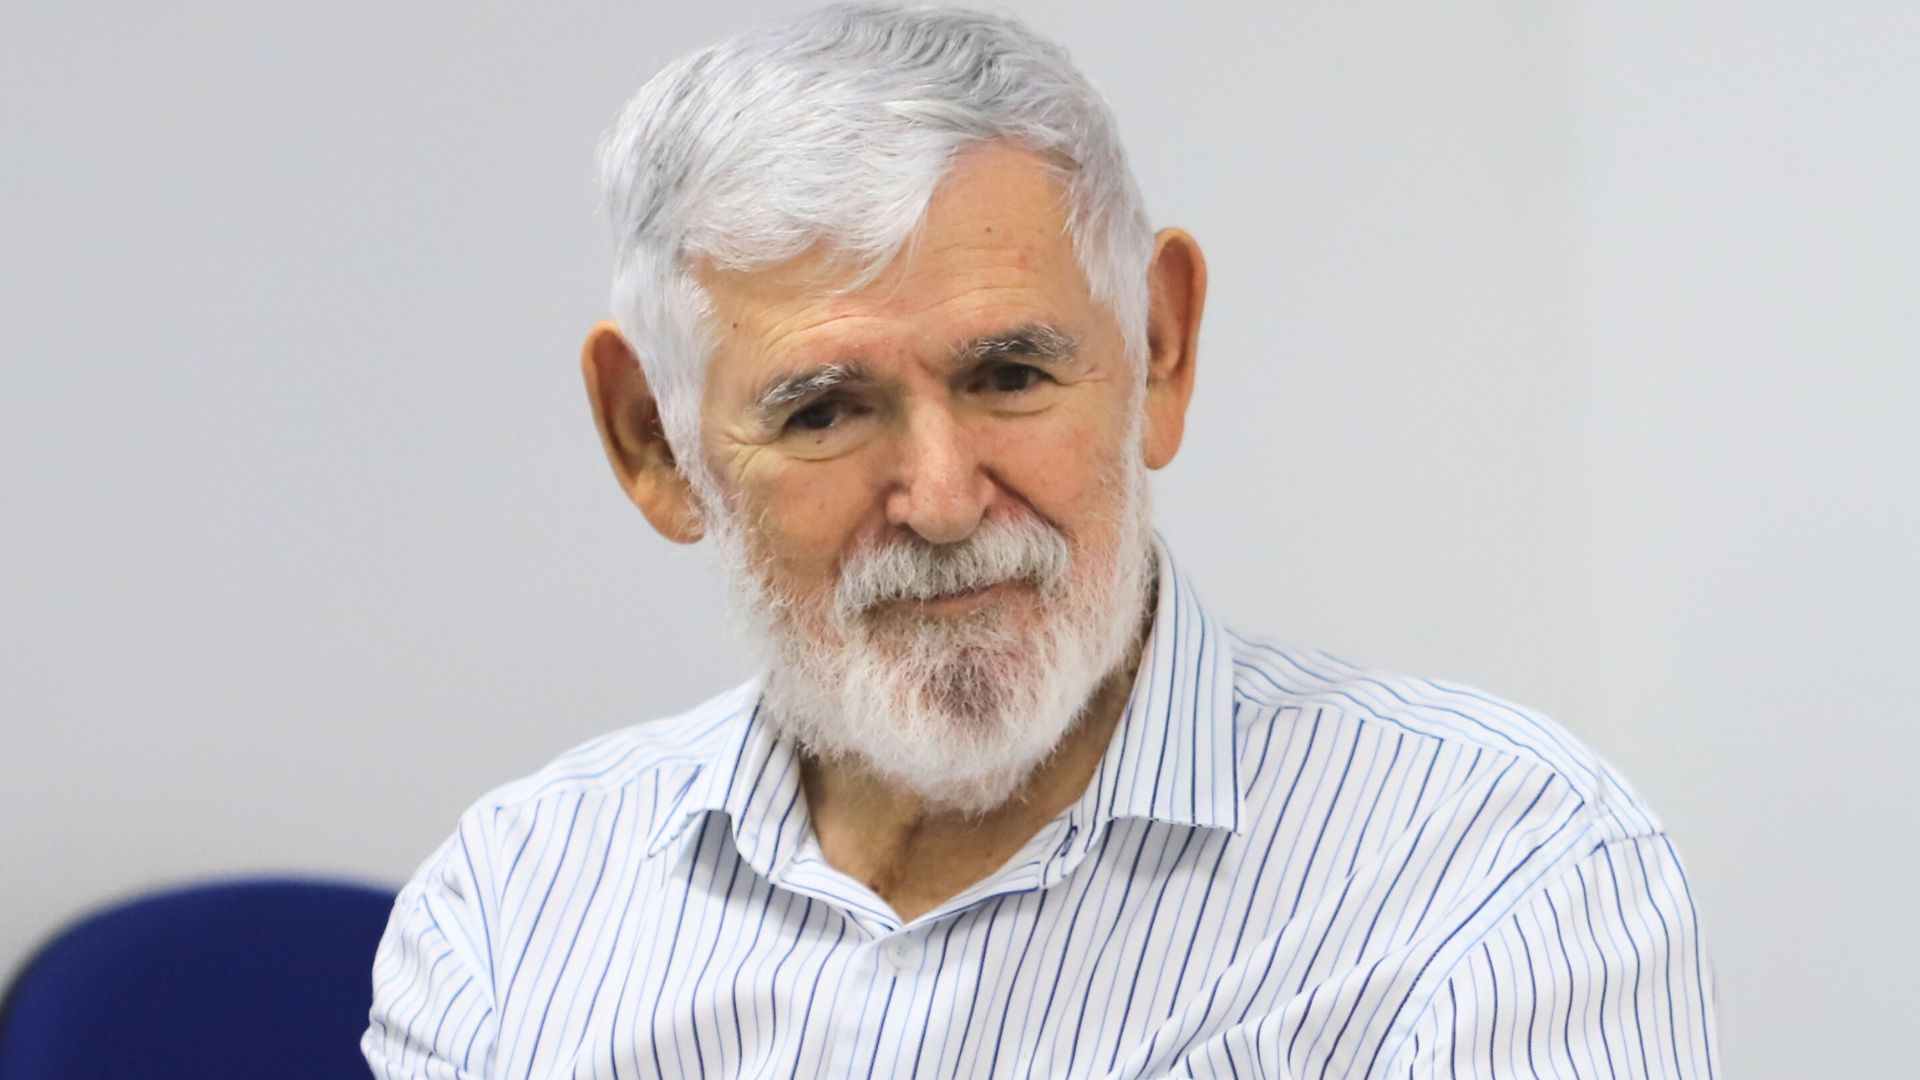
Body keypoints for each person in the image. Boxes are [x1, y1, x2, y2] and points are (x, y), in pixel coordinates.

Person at [363, 5, 1719, 1076]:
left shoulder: (1499, 873)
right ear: (653, 442)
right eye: (825, 410)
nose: (945, 501)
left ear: (1159, 349)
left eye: (1011, 375)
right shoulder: (514, 910)